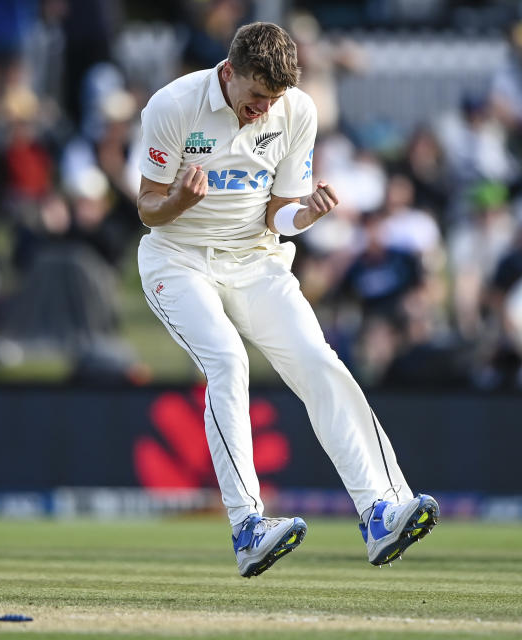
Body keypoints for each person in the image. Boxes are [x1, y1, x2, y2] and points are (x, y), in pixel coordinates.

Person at [135, 22, 438, 578]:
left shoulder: (296, 110)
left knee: (319, 361)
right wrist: (179, 198)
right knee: (227, 360)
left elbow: (281, 213)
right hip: (177, 259)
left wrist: (308, 214)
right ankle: (248, 526)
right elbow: (147, 208)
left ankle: (381, 510)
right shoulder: (173, 105)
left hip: (256, 259)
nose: (262, 111)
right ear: (229, 73)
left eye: (271, 101)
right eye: (254, 98)